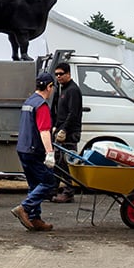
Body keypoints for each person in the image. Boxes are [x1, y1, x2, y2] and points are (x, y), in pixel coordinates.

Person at [11, 72, 57, 231]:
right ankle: (25, 208)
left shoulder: (29, 102)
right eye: (52, 87)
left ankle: (34, 218)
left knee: (34, 184)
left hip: (23, 148)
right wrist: (50, 153)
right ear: (49, 87)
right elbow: (44, 131)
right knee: (49, 182)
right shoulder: (41, 105)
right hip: (34, 150)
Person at [51, 62, 83, 203]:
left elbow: (73, 113)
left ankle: (69, 192)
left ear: (68, 74)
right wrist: (56, 127)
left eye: (61, 74)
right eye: (56, 74)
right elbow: (61, 112)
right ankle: (52, 190)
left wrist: (64, 129)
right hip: (61, 130)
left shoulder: (73, 90)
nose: (58, 76)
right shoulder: (62, 89)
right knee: (58, 163)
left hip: (70, 133)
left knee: (66, 163)